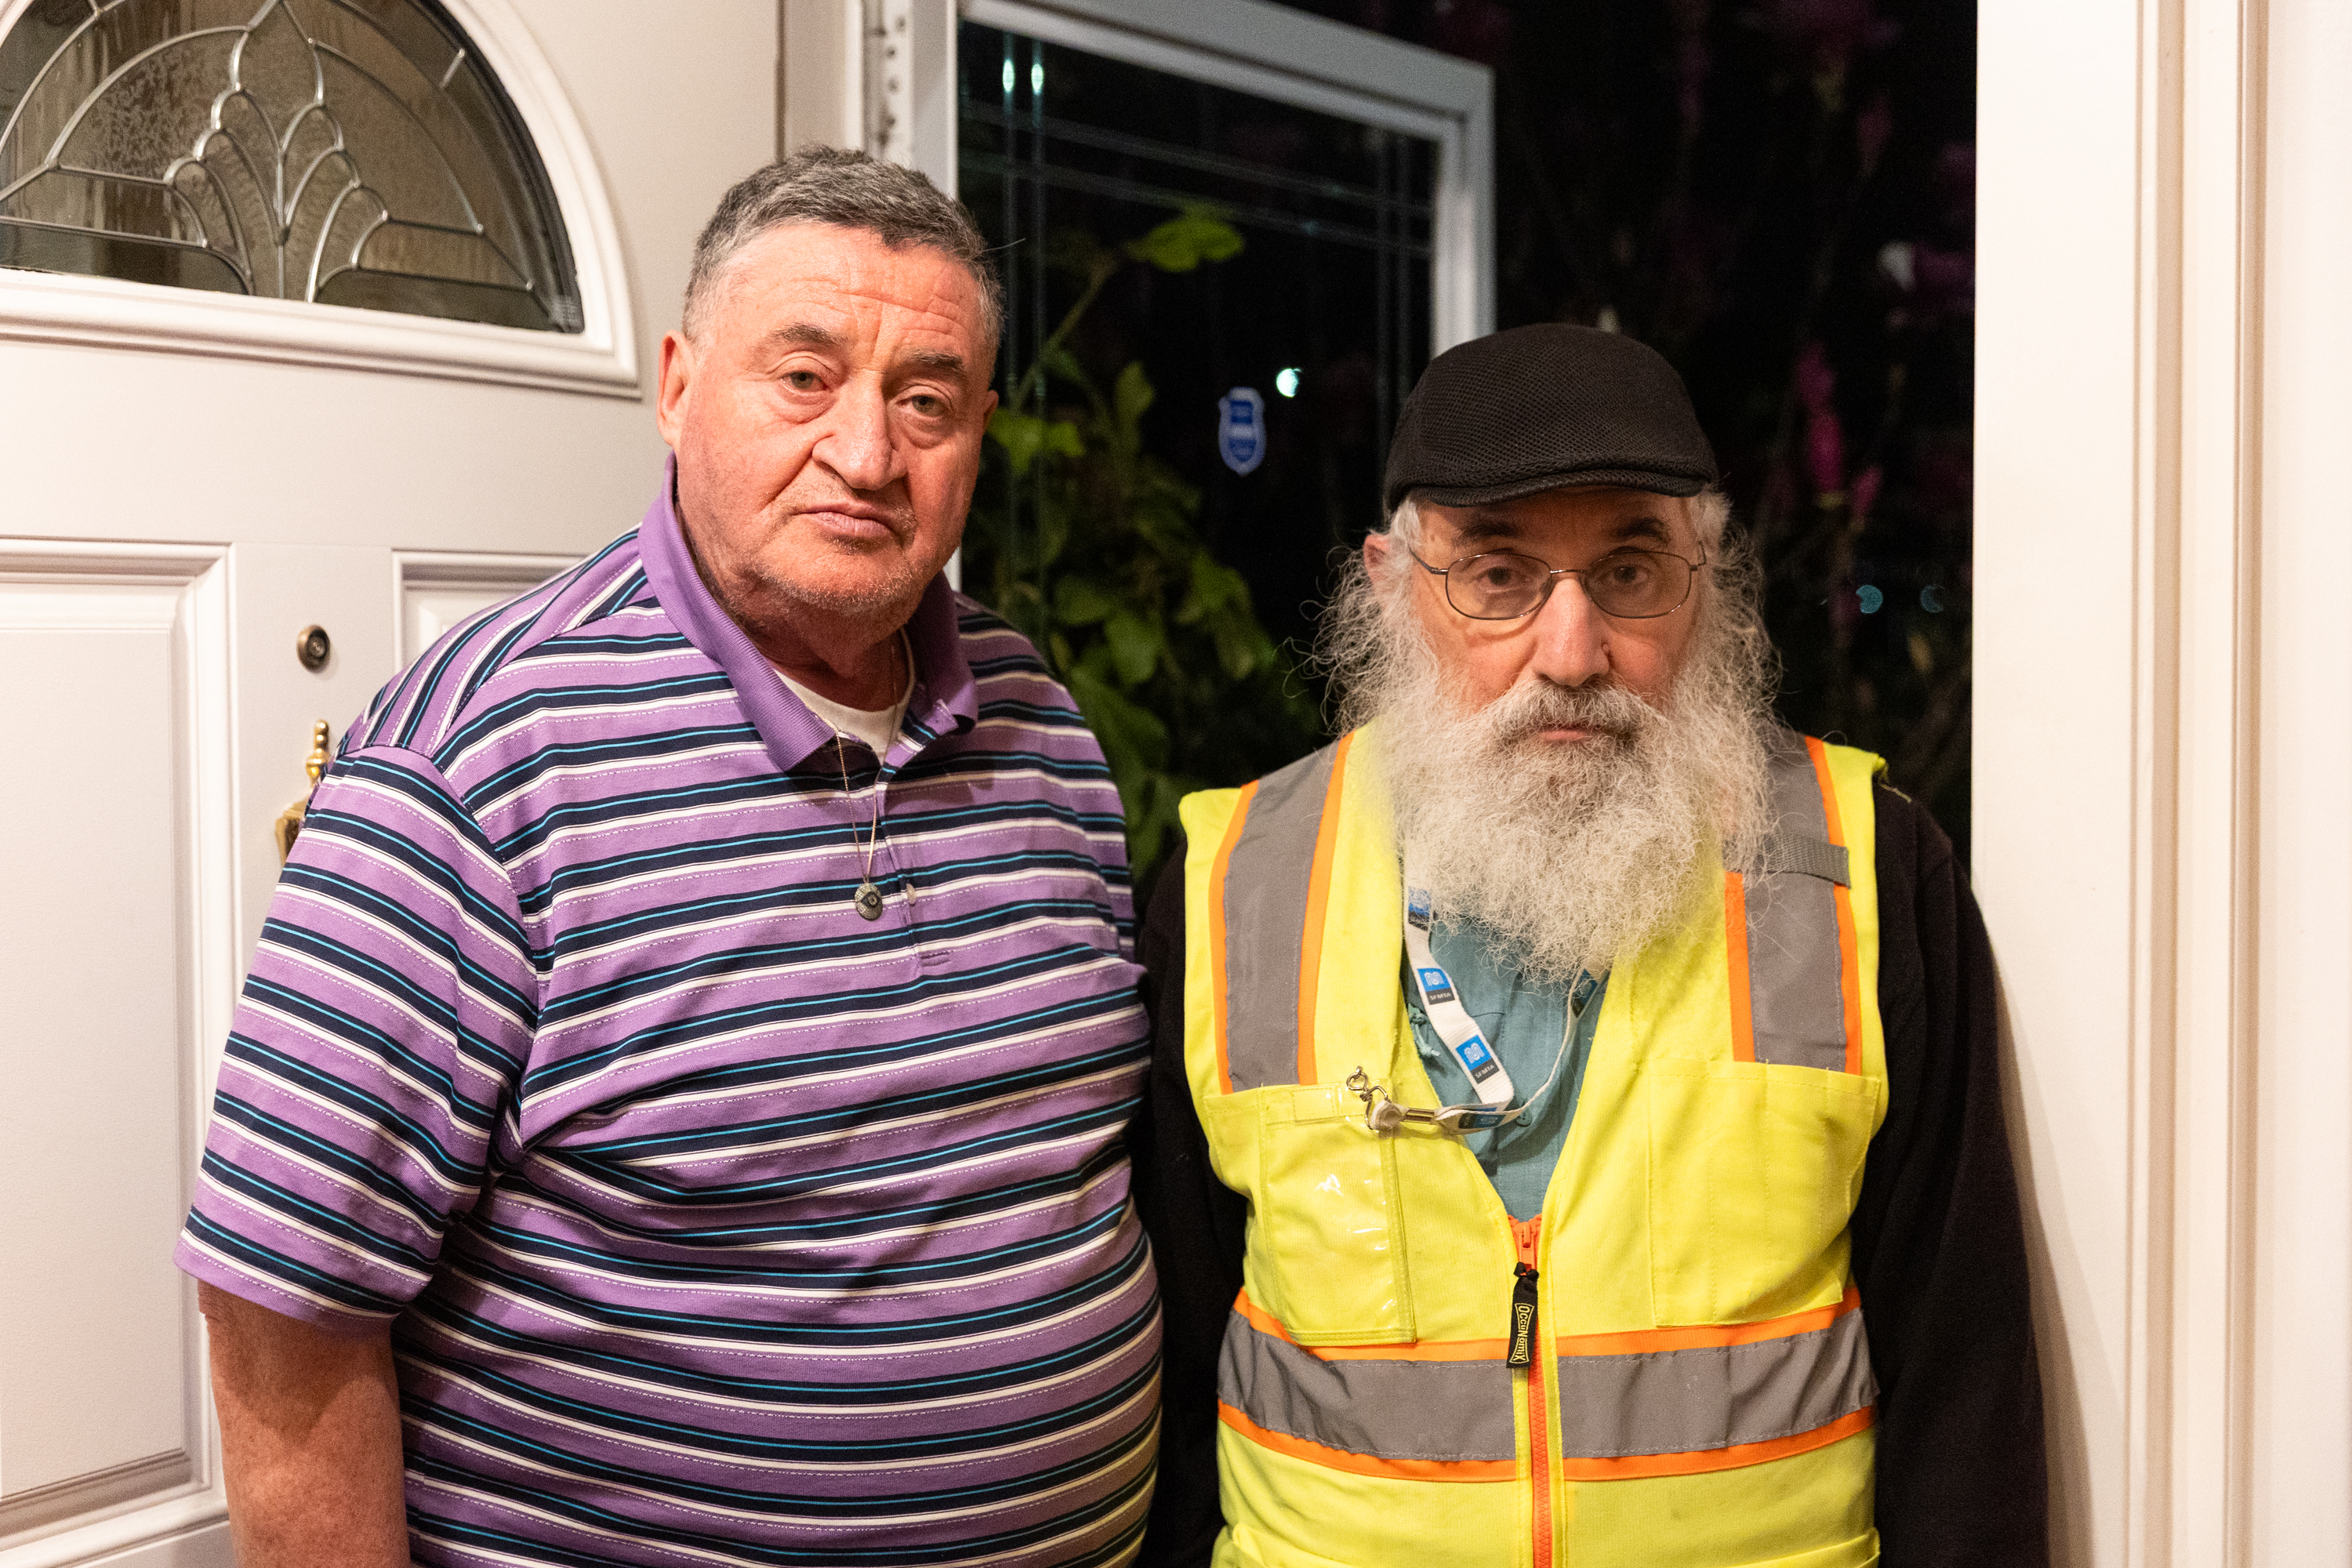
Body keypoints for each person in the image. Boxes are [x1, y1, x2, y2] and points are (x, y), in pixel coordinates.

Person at [177, 147, 1158, 1568]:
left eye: (926, 400)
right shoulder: (478, 763)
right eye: (804, 377)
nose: (870, 452)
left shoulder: (1041, 728)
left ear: (981, 432)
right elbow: (284, 1307)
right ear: (680, 387)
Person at [1131, 325, 2045, 1567]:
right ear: (1393, 585)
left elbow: (1964, 1388)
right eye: (1499, 576)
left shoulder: (1873, 872)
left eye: (1629, 573)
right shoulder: (1228, 884)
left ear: (1704, 584)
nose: (1571, 654)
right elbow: (1168, 1395)